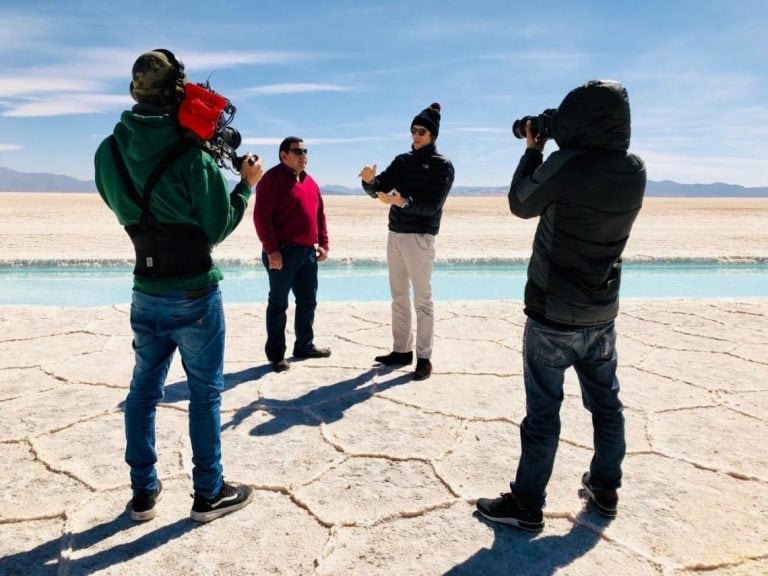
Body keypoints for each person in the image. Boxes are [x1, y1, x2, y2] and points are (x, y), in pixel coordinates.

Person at [94, 49, 263, 523]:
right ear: (177, 94)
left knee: (143, 391)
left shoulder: (107, 151)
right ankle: (208, 493)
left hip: (145, 290)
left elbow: (119, 204)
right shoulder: (192, 156)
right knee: (205, 395)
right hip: (194, 294)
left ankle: (143, 493)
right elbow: (216, 226)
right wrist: (246, 185)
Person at [476, 80, 646, 531]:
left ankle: (527, 504)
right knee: (607, 406)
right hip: (601, 314)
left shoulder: (567, 163)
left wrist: (534, 148)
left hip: (552, 315)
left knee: (543, 414)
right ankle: (606, 488)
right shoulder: (635, 170)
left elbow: (520, 202)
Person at [358, 103, 454, 381]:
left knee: (422, 299)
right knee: (399, 296)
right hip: (395, 234)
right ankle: (402, 350)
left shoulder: (442, 166)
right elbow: (380, 187)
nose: (416, 135)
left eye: (421, 131)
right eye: (413, 131)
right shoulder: (402, 161)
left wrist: (403, 201)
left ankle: (424, 357)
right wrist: (369, 182)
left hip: (420, 237)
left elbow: (432, 207)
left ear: (433, 134)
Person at [253, 137, 331, 372]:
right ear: (283, 155)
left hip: (308, 253)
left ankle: (304, 345)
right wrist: (272, 250)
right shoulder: (271, 180)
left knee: (308, 301)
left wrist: (323, 244)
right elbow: (261, 218)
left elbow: (320, 215)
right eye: (297, 151)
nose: (302, 155)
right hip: (282, 253)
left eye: (305, 151)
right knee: (278, 304)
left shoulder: (310, 182)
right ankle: (276, 355)